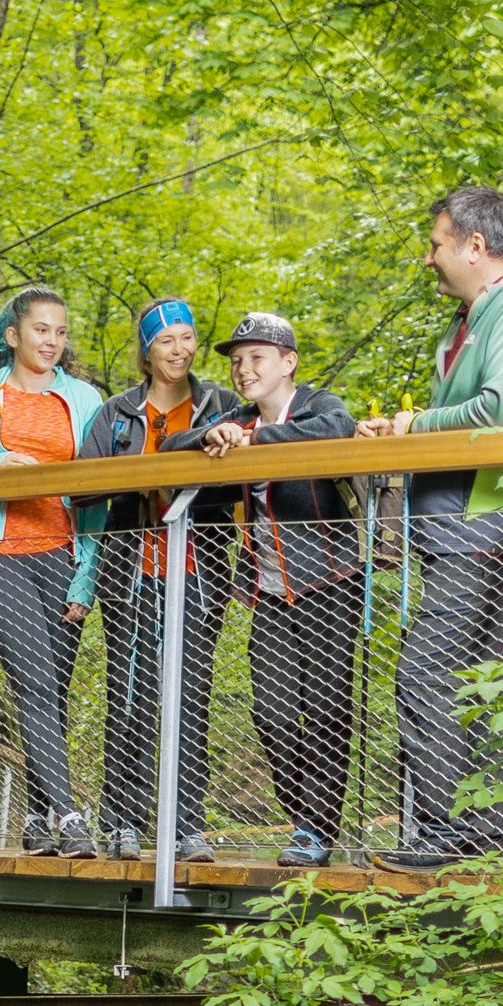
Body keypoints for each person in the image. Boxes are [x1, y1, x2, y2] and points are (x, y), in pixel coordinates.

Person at [373, 185, 503, 869]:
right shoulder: (476, 315)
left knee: (427, 673)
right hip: (471, 523)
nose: (429, 258)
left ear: (475, 246)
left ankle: (450, 832)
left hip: (486, 519)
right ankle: (481, 833)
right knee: (473, 679)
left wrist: (415, 426)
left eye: (436, 245)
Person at [193, 310, 366, 862]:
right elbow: (176, 444)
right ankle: (303, 815)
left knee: (326, 707)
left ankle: (316, 830)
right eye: (237, 361)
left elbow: (337, 430)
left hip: (330, 581)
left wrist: (254, 439)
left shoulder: (317, 405)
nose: (243, 369)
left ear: (288, 363)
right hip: (268, 589)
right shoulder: (236, 418)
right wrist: (211, 433)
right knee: (271, 712)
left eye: (256, 358)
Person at [0, 286, 105, 846]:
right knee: (34, 682)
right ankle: (71, 817)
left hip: (64, 557)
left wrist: (87, 575)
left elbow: (98, 492)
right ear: (13, 335)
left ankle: (36, 820)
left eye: (60, 332)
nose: (52, 341)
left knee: (53, 690)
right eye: (41, 330)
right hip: (0, 556)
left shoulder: (84, 398)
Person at [83, 298, 244, 851]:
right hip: (131, 570)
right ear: (147, 352)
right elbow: (82, 486)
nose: (179, 350)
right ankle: (121, 821)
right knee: (130, 693)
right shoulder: (118, 412)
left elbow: (240, 482)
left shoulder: (222, 405)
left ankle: (185, 824)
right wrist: (147, 476)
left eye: (187, 337)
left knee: (191, 695)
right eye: (165, 341)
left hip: (200, 570)